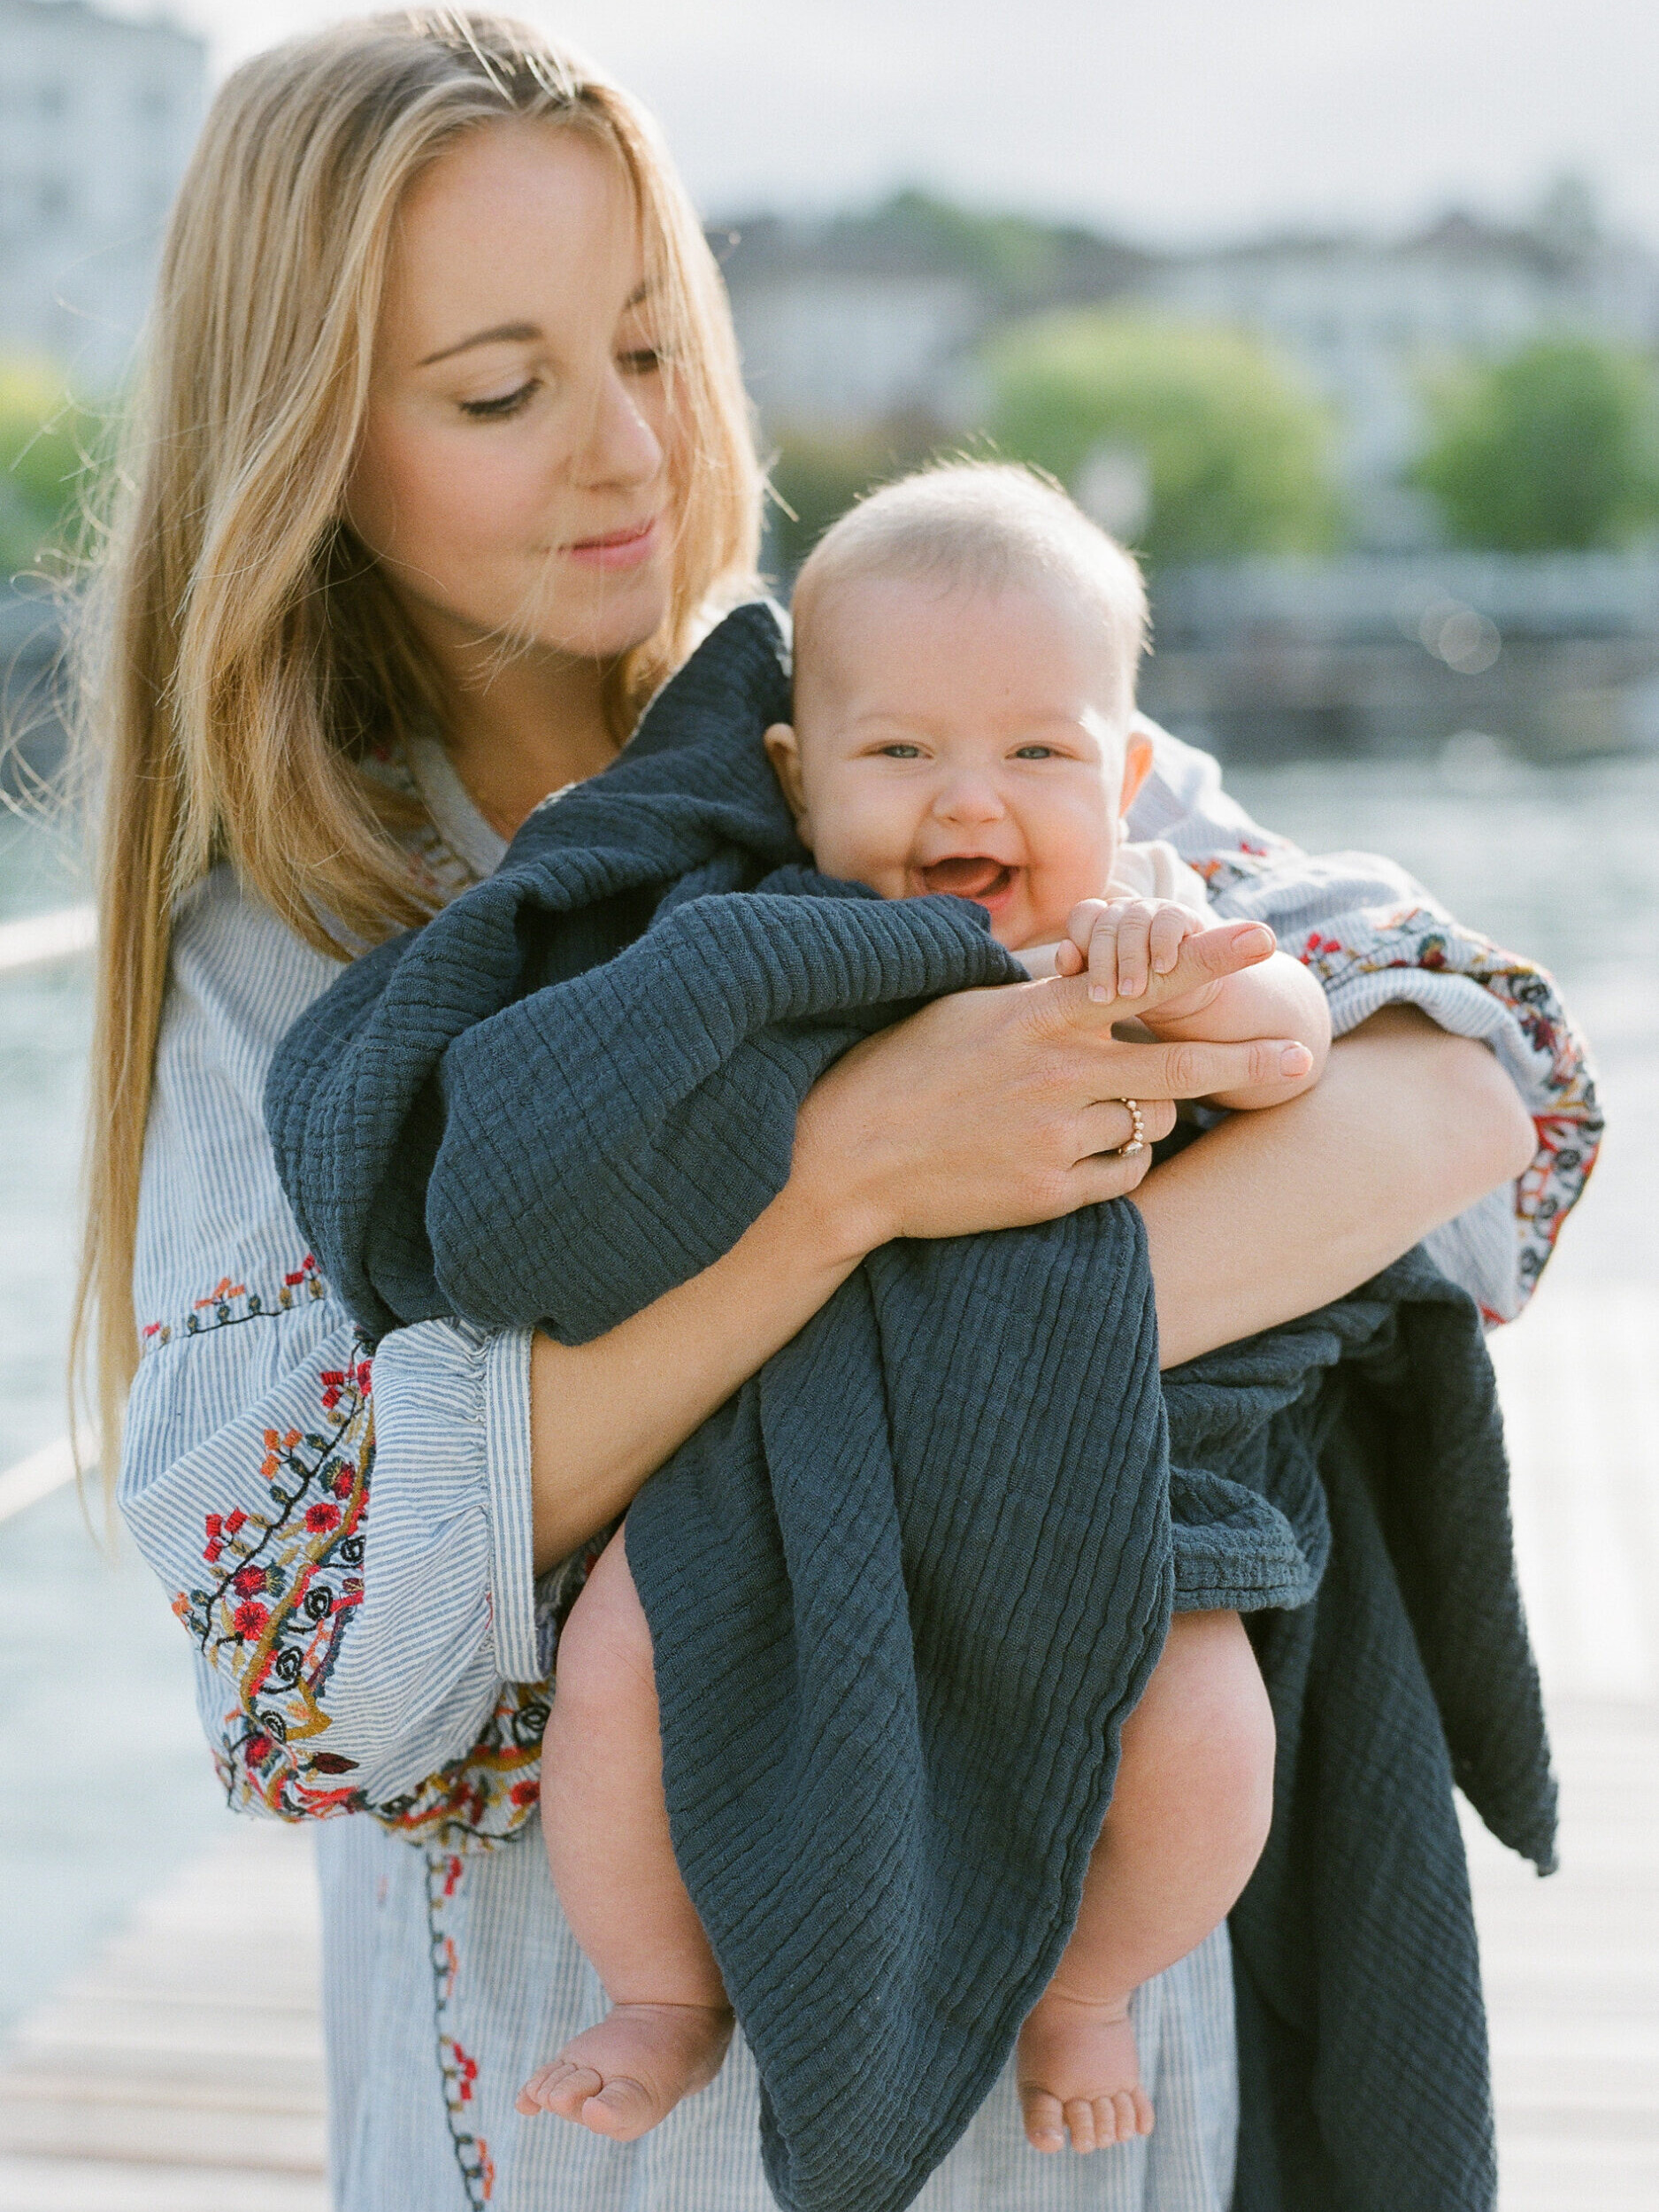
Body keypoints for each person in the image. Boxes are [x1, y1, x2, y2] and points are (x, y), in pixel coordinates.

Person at [78, 16, 1596, 2211]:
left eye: (649, 350)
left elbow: (1485, 1092)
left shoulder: (905, 722)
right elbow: (308, 1644)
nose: (621, 454)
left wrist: (899, 1333)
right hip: (602, 2115)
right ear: (308, 441)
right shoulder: (283, 945)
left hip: (1104, 2070)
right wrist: (853, 1190)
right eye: (500, 392)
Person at [518, 463, 1330, 2157]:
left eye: (1037, 755)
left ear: (1123, 779)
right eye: (901, 754)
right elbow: (634, 1113)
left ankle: (1085, 1981)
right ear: (799, 781)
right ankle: (662, 1992)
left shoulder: (1146, 929)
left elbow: (1290, 1042)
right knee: (617, 1668)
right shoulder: (766, 941)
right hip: (784, 1455)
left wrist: (1199, 982)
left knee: (1203, 1719)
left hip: (1089, 1457)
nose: (972, 799)